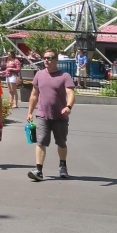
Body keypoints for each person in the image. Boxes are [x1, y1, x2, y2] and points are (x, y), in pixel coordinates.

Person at [27, 50, 75, 182]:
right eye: (45, 58)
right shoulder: (39, 75)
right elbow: (34, 95)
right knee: (41, 142)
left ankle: (63, 166)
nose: (46, 60)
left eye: (50, 58)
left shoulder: (64, 76)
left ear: (56, 60)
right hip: (42, 115)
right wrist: (30, 112)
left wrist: (68, 106)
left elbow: (70, 93)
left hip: (60, 117)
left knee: (61, 143)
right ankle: (39, 170)